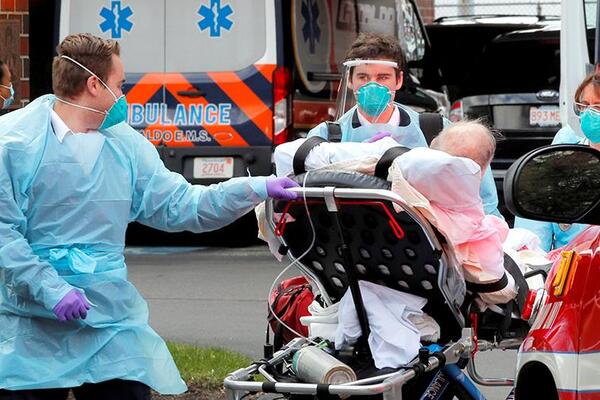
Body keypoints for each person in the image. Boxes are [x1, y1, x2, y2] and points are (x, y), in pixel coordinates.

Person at [0, 33, 298, 399]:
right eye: (120, 85)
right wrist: (50, 289)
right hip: (30, 326)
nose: (123, 96)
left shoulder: (125, 145)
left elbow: (182, 205)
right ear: (94, 85)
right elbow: (4, 235)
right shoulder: (14, 144)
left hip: (108, 323)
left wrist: (255, 188)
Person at [306, 32, 501, 218]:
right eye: (363, 77)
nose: (372, 86)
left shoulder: (436, 131)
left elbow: (483, 201)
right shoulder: (327, 138)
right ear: (350, 80)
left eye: (382, 77)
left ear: (399, 80)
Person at [513, 73, 598, 251]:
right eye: (584, 106)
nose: (590, 114)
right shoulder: (559, 163)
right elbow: (532, 246)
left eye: (597, 107)